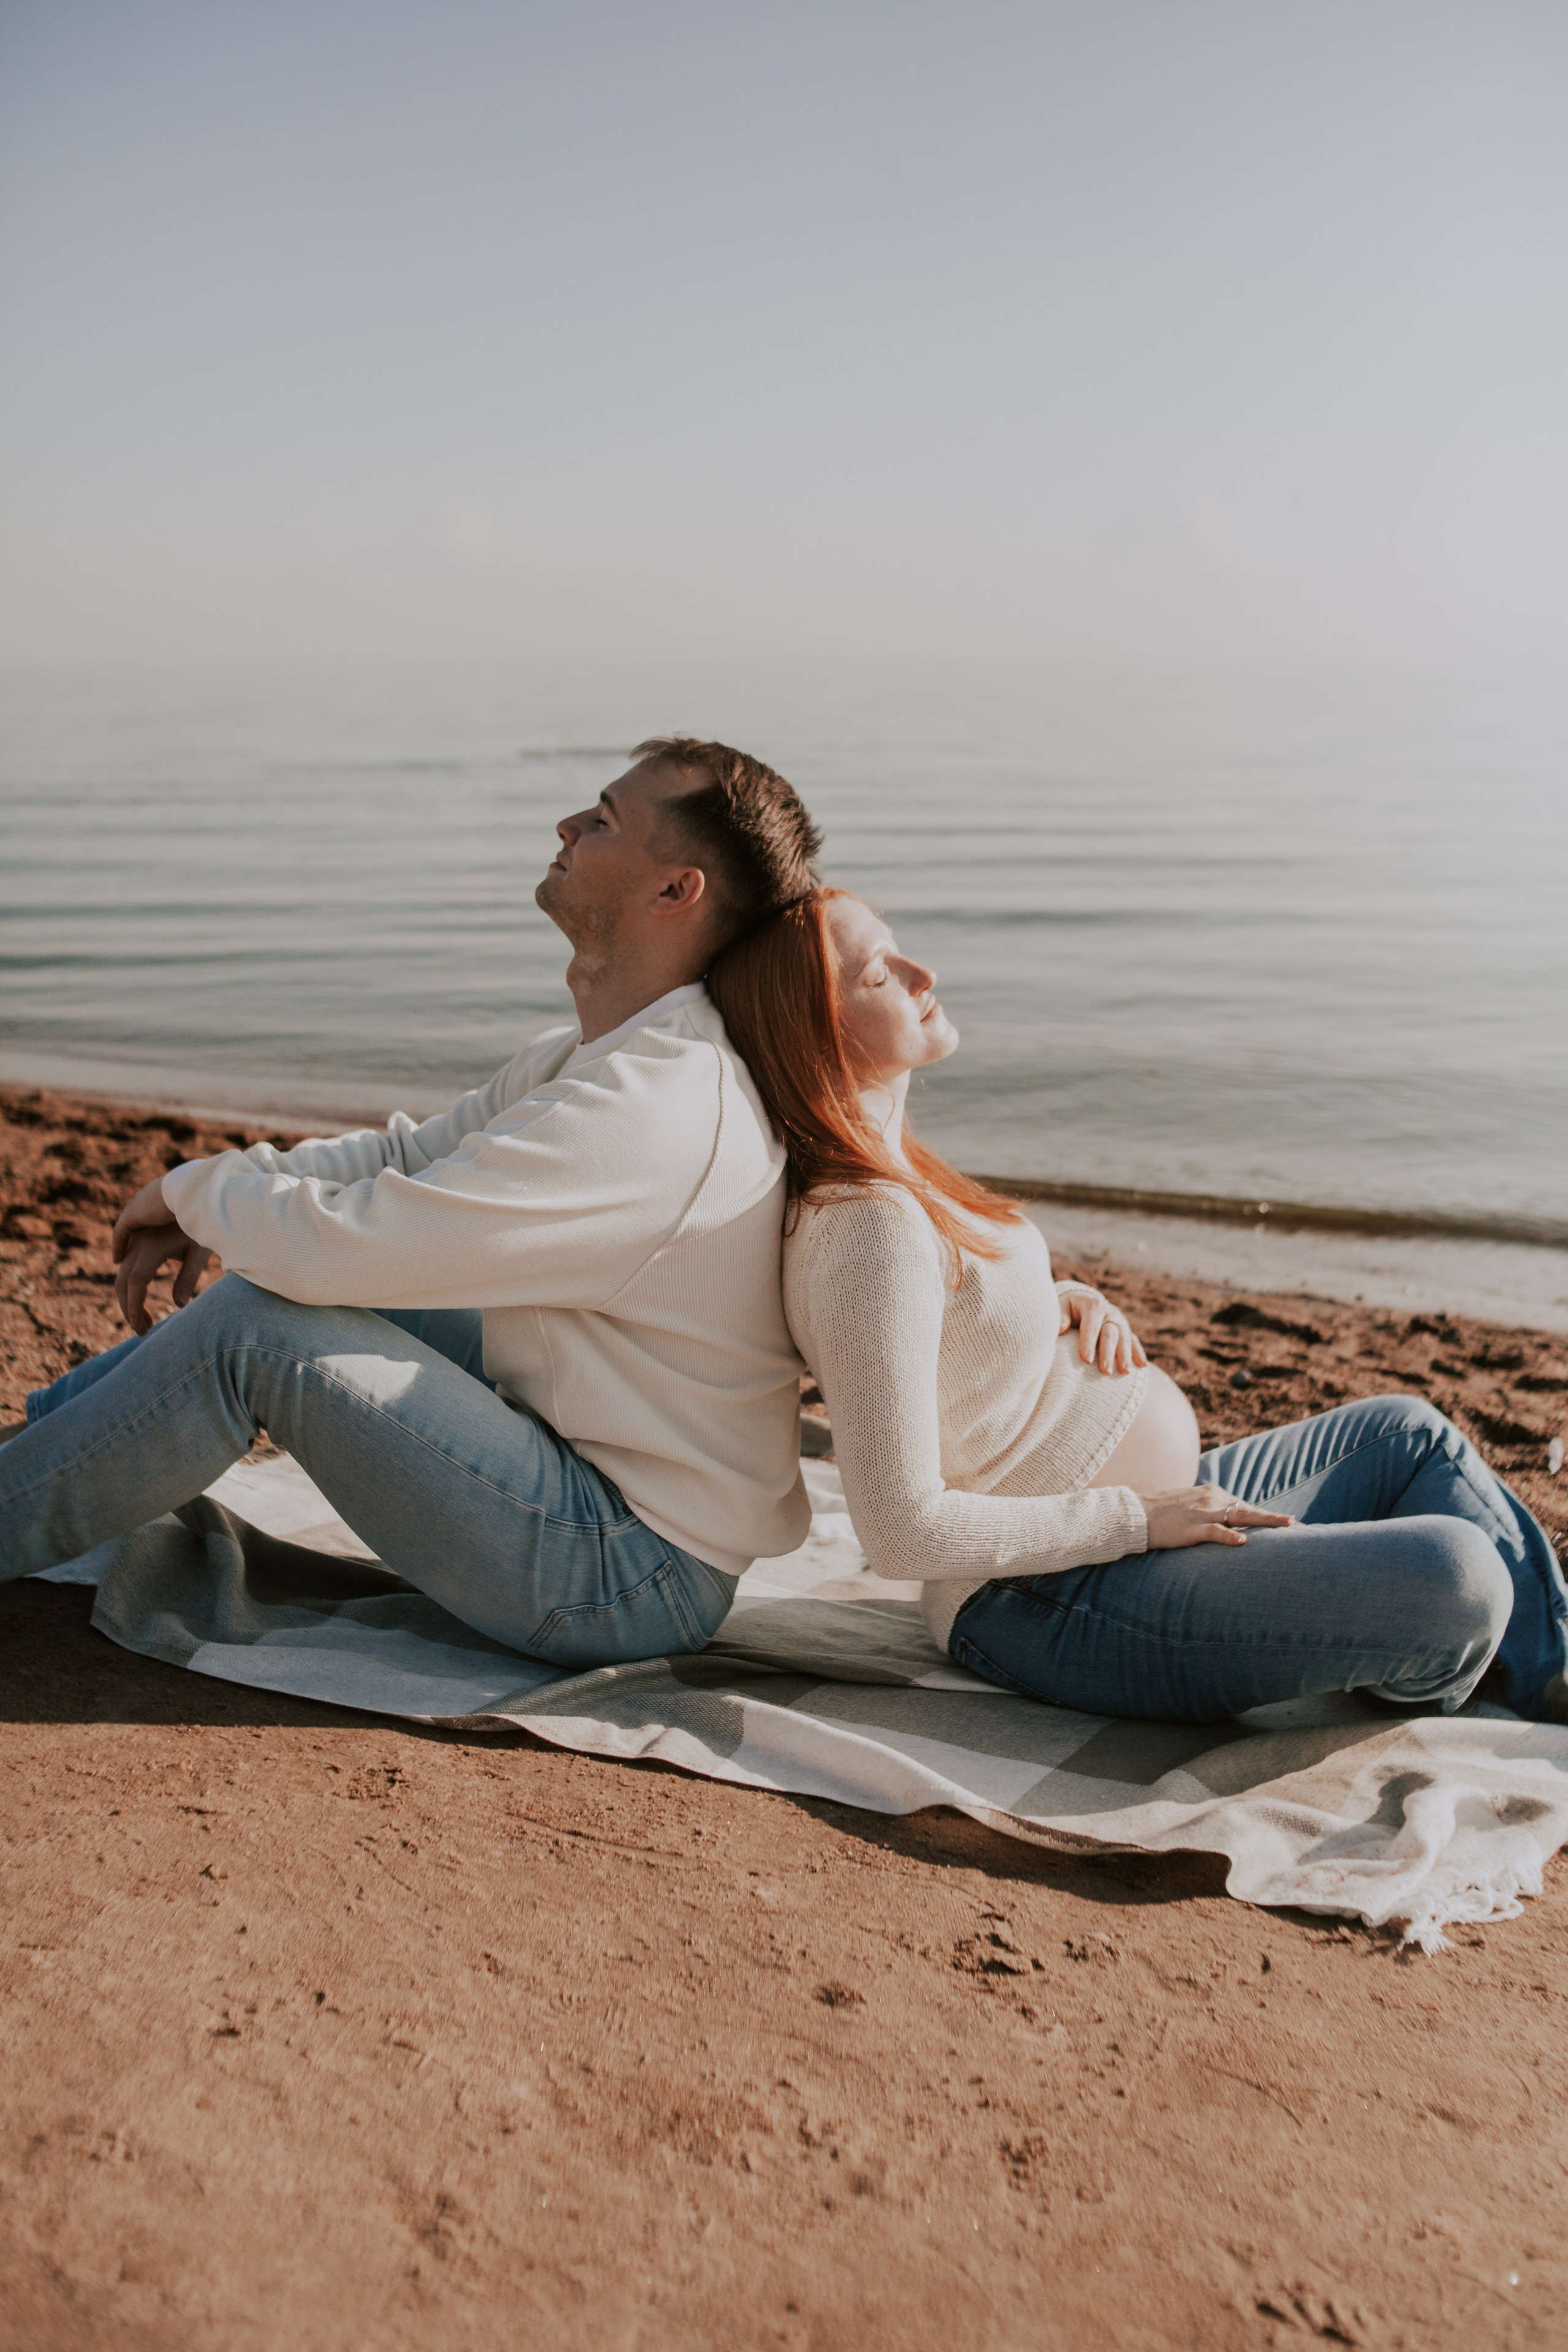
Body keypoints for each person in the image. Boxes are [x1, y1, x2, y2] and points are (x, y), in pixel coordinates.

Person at [0, 737, 823, 1668]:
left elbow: (337, 1250)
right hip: (573, 1440)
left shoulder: (655, 1108)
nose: (566, 825)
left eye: (602, 819)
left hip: (627, 1572)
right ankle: (45, 1444)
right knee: (302, 1293)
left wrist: (200, 1196)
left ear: (675, 892)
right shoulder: (595, 1053)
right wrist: (223, 1182)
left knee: (258, 1330)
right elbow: (403, 1157)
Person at [707, 887, 1568, 1724]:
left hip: (1149, 1518)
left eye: (896, 945)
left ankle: (1543, 1685)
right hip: (1051, 1598)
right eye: (877, 975)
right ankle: (1429, 1666)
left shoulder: (897, 1176)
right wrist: (1139, 1518)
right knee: (1459, 1577)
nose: (920, 969)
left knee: (1406, 1436)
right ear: (813, 1034)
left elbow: (948, 1328)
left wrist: (1056, 1303)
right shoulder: (863, 1229)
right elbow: (899, 1531)